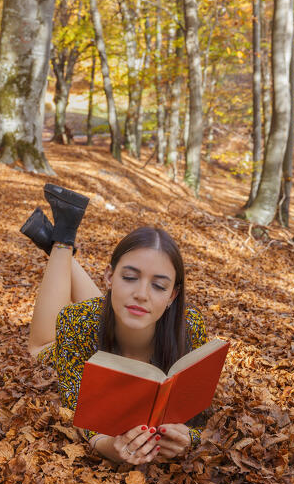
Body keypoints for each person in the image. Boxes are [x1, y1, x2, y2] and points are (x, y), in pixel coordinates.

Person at [22, 183, 209, 465]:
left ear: (173, 295)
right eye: (129, 277)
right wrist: (108, 445)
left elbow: (198, 415)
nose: (142, 293)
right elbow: (76, 406)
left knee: (122, 307)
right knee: (40, 348)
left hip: (111, 316)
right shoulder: (76, 323)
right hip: (71, 344)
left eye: (158, 286)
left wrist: (187, 440)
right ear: (109, 276)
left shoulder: (190, 327)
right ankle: (62, 241)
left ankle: (51, 239)